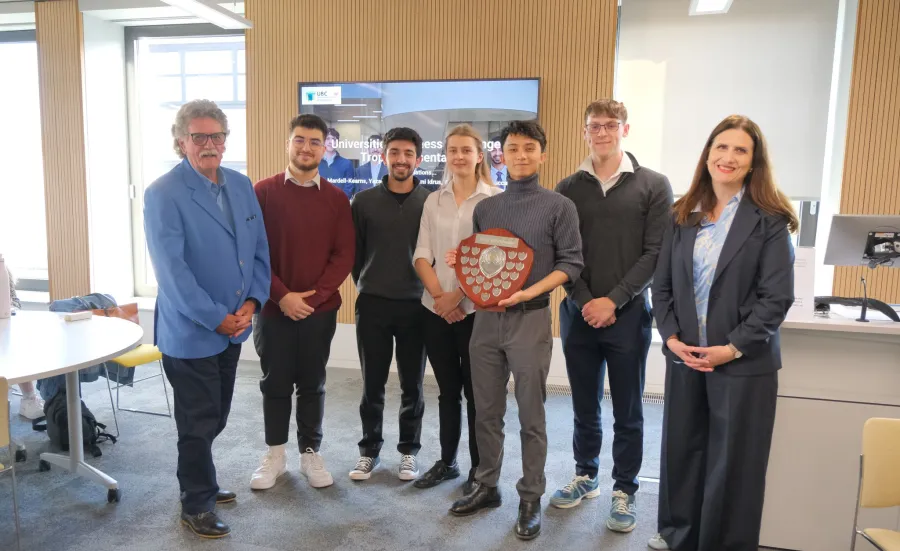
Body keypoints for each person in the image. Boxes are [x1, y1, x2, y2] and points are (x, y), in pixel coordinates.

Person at [647, 115, 796, 551]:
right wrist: (672, 338)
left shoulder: (769, 221)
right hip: (687, 356)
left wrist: (730, 349)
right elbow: (663, 286)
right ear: (707, 155)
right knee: (682, 453)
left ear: (753, 163)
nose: (727, 157)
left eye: (740, 150)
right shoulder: (682, 214)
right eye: (721, 147)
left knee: (733, 465)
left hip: (742, 362)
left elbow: (775, 300)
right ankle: (679, 537)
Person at [448, 121, 584, 541]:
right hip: (486, 320)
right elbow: (484, 262)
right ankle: (487, 485)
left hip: (530, 318)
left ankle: (530, 497)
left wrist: (527, 290)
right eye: (513, 149)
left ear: (543, 155)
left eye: (529, 148)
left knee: (530, 413)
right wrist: (461, 262)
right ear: (500, 155)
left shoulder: (560, 206)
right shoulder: (486, 208)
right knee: (486, 409)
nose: (521, 156)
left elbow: (571, 264)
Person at [144, 99, 270, 539]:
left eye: (217, 136)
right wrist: (216, 318)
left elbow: (258, 251)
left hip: (235, 327)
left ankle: (204, 481)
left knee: (216, 415)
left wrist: (252, 303)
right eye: (200, 137)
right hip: (191, 333)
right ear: (182, 142)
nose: (210, 144)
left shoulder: (240, 184)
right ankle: (195, 503)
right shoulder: (163, 193)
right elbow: (172, 273)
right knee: (197, 423)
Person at [552, 99, 673, 532]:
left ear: (625, 129)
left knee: (628, 408)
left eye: (609, 125)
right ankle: (586, 476)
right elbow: (561, 253)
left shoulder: (653, 185)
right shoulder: (568, 187)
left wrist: (614, 300)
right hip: (577, 313)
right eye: (593, 126)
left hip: (627, 316)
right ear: (585, 132)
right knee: (584, 403)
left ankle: (625, 488)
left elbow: (655, 252)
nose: (601, 132)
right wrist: (585, 299)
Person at [250, 114, 354, 491]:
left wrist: (312, 298)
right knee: (274, 383)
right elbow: (254, 253)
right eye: (299, 140)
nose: (306, 147)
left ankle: (310, 452)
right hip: (272, 310)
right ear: (288, 143)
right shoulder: (261, 192)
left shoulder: (337, 199)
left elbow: (344, 255)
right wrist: (282, 296)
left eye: (314, 141)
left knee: (313, 383)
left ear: (325, 147)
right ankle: (275, 455)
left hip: (318, 311)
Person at [411, 124, 502, 492]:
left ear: (479, 155)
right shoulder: (434, 200)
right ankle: (447, 461)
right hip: (435, 310)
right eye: (453, 150)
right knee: (447, 391)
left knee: (478, 393)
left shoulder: (495, 200)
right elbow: (421, 254)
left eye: (466, 150)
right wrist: (440, 298)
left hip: (476, 313)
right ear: (445, 155)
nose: (459, 156)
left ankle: (479, 471)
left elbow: (496, 258)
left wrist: (459, 296)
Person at [349, 127, 431, 482]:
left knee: (413, 384)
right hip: (373, 306)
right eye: (394, 152)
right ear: (384, 156)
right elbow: (356, 256)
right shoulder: (363, 201)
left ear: (419, 160)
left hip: (417, 307)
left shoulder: (431, 201)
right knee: (373, 384)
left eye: (408, 154)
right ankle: (369, 451)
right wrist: (370, 283)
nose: (401, 159)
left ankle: (409, 452)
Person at [5, 267, 44, 419]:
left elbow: (14, 301)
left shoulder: (3, 269)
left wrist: (8, 309)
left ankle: (29, 399)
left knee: (15, 343)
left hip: (6, 320)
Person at [319, 127, 355, 196]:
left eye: (334, 139)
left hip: (338, 205)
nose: (331, 142)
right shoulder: (315, 163)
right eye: (328, 138)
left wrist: (339, 203)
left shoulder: (347, 164)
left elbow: (349, 189)